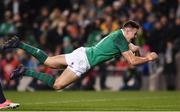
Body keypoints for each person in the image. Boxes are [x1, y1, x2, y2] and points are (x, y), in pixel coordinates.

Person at [0, 20, 158, 90]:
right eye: (135, 34)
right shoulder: (121, 38)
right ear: (128, 30)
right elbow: (132, 61)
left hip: (82, 52)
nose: (135, 37)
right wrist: (148, 58)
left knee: (47, 61)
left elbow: (131, 46)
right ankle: (25, 71)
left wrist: (136, 47)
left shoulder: (118, 35)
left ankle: (19, 44)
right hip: (84, 61)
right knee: (57, 85)